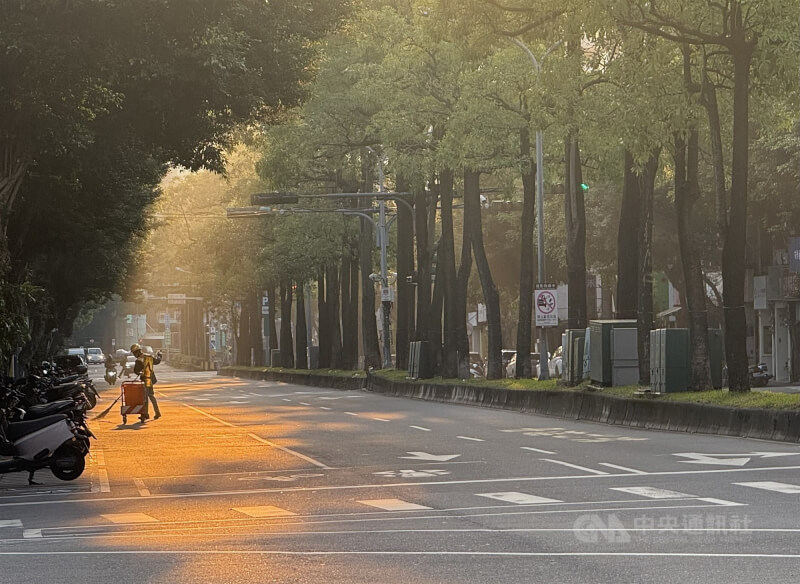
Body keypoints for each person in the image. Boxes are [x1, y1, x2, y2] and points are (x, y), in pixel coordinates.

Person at [131, 343, 163, 420]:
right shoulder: (149, 356)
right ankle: (157, 412)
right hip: (151, 379)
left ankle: (145, 414)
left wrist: (140, 372)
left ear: (136, 352)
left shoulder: (139, 360)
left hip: (145, 380)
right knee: (151, 396)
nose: (135, 354)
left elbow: (136, 370)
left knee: (144, 397)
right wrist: (160, 355)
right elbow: (157, 361)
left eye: (135, 353)